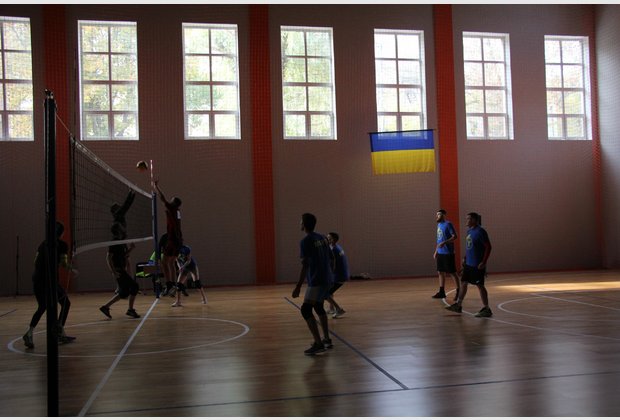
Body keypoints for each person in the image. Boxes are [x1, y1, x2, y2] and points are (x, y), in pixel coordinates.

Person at [23, 221, 77, 349]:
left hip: (37, 279)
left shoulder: (43, 244)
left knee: (42, 307)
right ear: (62, 233)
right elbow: (64, 264)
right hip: (49, 281)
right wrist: (72, 269)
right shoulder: (62, 245)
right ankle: (59, 330)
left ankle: (29, 333)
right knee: (65, 303)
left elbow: (35, 261)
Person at [292, 213, 334, 355]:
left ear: (304, 224)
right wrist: (330, 275)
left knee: (305, 310)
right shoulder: (323, 238)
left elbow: (305, 266)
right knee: (318, 306)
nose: (299, 223)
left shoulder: (306, 241)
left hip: (316, 280)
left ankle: (318, 343)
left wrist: (298, 286)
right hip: (327, 278)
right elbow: (332, 258)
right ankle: (326, 339)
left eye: (300, 221)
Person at [446, 212, 493, 317]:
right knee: (463, 282)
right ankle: (458, 305)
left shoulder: (481, 231)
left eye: (469, 219)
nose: (466, 221)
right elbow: (470, 246)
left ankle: (487, 309)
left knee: (480, 286)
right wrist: (465, 258)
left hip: (477, 264)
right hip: (468, 264)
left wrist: (484, 262)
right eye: (466, 218)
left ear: (474, 220)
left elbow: (488, 247)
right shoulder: (469, 231)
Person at [99, 222, 140, 319]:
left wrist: (131, 249)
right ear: (118, 230)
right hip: (118, 270)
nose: (124, 229)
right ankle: (130, 310)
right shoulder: (114, 242)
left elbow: (124, 256)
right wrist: (113, 271)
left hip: (121, 269)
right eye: (121, 227)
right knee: (134, 286)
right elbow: (108, 258)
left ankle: (105, 307)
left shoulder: (121, 242)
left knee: (124, 292)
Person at [153, 180, 183, 297]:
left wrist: (156, 187)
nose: (170, 200)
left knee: (164, 262)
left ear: (174, 203)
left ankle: (169, 285)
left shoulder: (172, 208)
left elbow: (162, 198)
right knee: (171, 262)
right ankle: (173, 285)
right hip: (178, 240)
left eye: (172, 199)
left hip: (173, 240)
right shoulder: (177, 211)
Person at [432, 209, 461, 301]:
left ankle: (459, 291)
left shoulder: (448, 224)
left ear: (444, 215)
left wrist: (445, 242)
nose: (437, 216)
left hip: (448, 252)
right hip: (440, 252)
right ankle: (442, 292)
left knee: (452, 272)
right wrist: (436, 251)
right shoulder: (439, 225)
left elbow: (455, 236)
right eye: (436, 214)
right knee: (440, 272)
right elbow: (439, 239)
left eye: (439, 214)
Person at [325, 232, 349, 319]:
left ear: (333, 240)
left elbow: (333, 265)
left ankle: (339, 309)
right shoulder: (337, 247)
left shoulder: (333, 250)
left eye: (329, 238)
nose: (327, 240)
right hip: (341, 274)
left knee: (324, 294)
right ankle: (331, 309)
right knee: (329, 291)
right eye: (327, 238)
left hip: (339, 276)